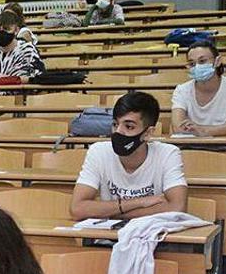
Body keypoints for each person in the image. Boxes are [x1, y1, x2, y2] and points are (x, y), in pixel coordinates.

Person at [71, 91, 188, 219]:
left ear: (148, 133)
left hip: (153, 236)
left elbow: (177, 208)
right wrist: (139, 202)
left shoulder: (168, 153)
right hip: (109, 237)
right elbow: (77, 209)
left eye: (129, 126)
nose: (118, 131)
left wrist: (111, 213)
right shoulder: (98, 151)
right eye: (115, 124)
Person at [172, 40, 226, 138]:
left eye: (202, 61)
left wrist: (202, 130)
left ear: (217, 61)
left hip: (225, 147)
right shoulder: (181, 90)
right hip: (189, 147)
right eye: (192, 64)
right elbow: (177, 127)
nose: (197, 67)